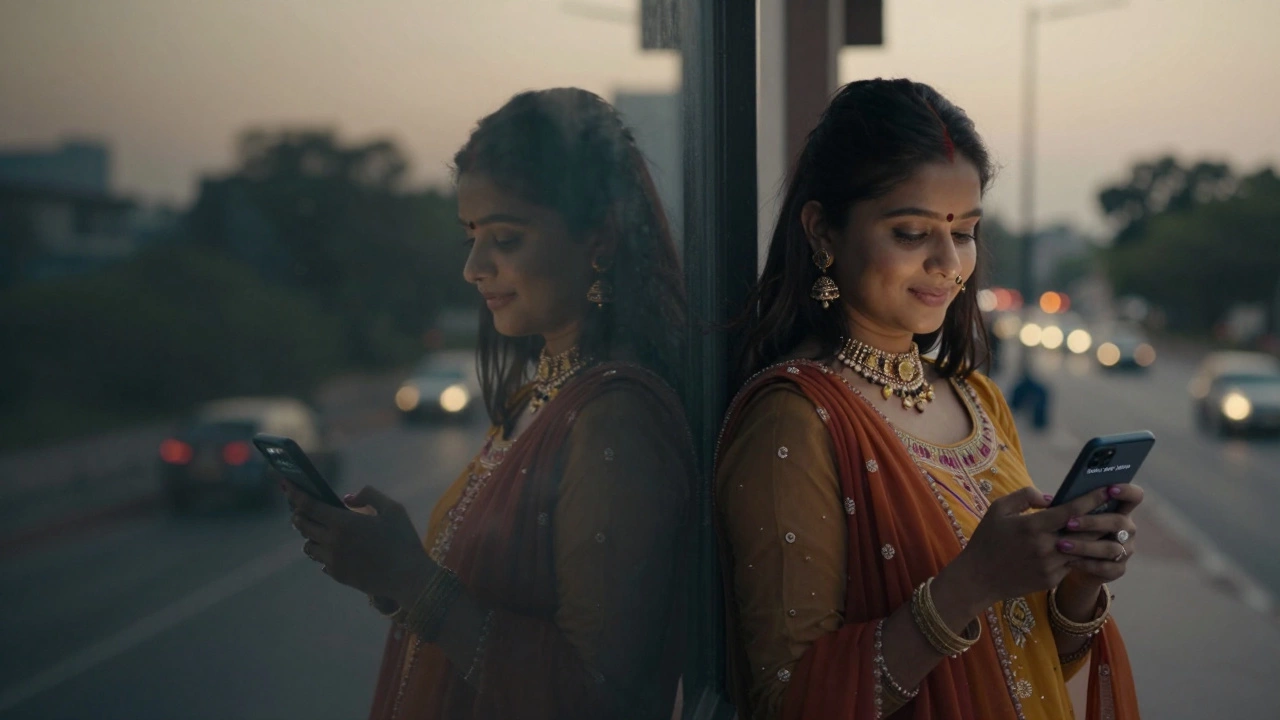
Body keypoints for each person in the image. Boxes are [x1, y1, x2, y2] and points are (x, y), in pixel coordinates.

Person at [715, 78, 1141, 720]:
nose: (949, 263)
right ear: (823, 232)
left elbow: (1030, 664)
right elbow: (789, 703)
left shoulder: (978, 401)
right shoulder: (795, 420)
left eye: (965, 232)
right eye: (912, 233)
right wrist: (969, 584)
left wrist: (1078, 577)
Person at [283, 88, 693, 720]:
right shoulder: (540, 395)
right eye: (471, 236)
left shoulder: (616, 418)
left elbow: (606, 700)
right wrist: (387, 572)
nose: (474, 267)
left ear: (601, 237)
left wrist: (411, 582)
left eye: (504, 237)